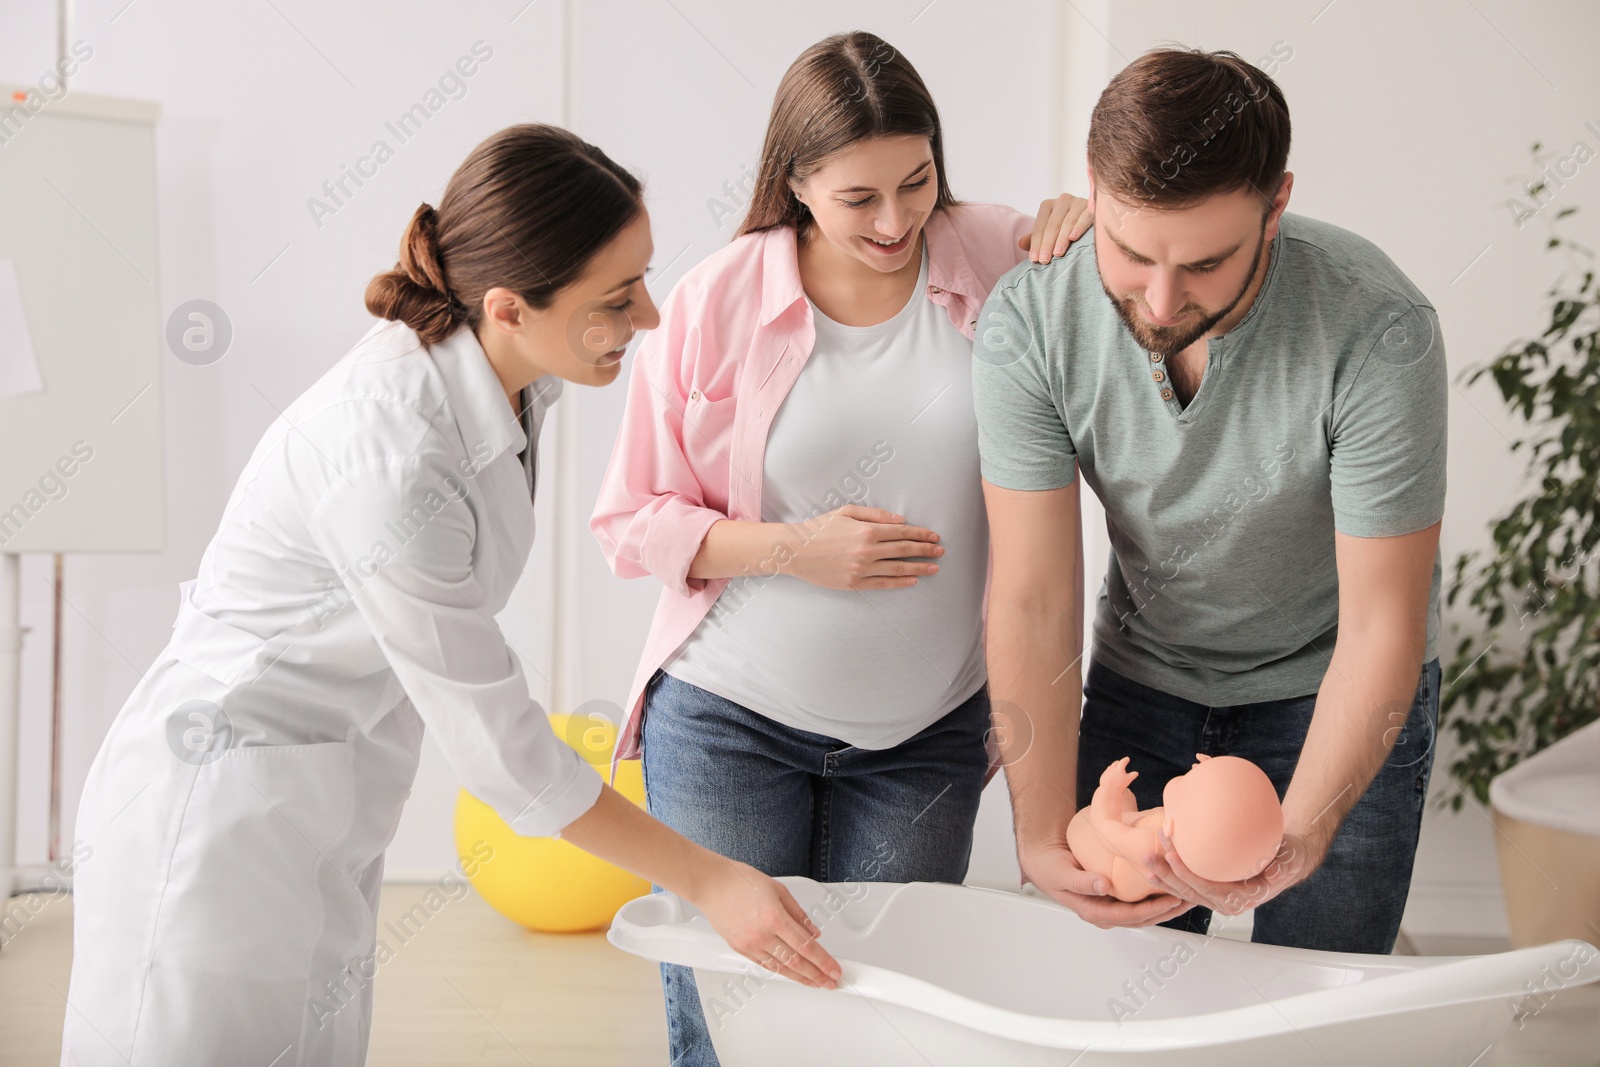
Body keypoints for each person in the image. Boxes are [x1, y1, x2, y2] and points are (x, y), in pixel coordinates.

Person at [60, 124, 839, 1067]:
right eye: (617, 296)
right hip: (212, 821)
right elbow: (506, 752)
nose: (651, 318)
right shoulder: (388, 450)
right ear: (509, 306)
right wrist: (709, 880)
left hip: (316, 804)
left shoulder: (511, 387)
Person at [590, 31, 1091, 1066]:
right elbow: (630, 521)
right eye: (860, 197)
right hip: (729, 720)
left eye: (917, 182)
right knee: (726, 1025)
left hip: (925, 740)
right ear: (797, 181)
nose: (898, 219)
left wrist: (1088, 223)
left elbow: (1131, 279)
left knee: (885, 1026)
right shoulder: (715, 298)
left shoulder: (999, 255)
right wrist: (789, 548)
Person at [972, 47, 1446, 953]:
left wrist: (1302, 829)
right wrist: (1037, 834)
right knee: (1109, 999)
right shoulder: (1031, 320)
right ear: (1093, 193)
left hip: (1331, 680)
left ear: (1277, 207)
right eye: (1131, 251)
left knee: (1318, 1000)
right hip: (1145, 676)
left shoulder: (1378, 327)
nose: (1159, 298)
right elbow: (1033, 597)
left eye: (1204, 264)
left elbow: (1383, 622)